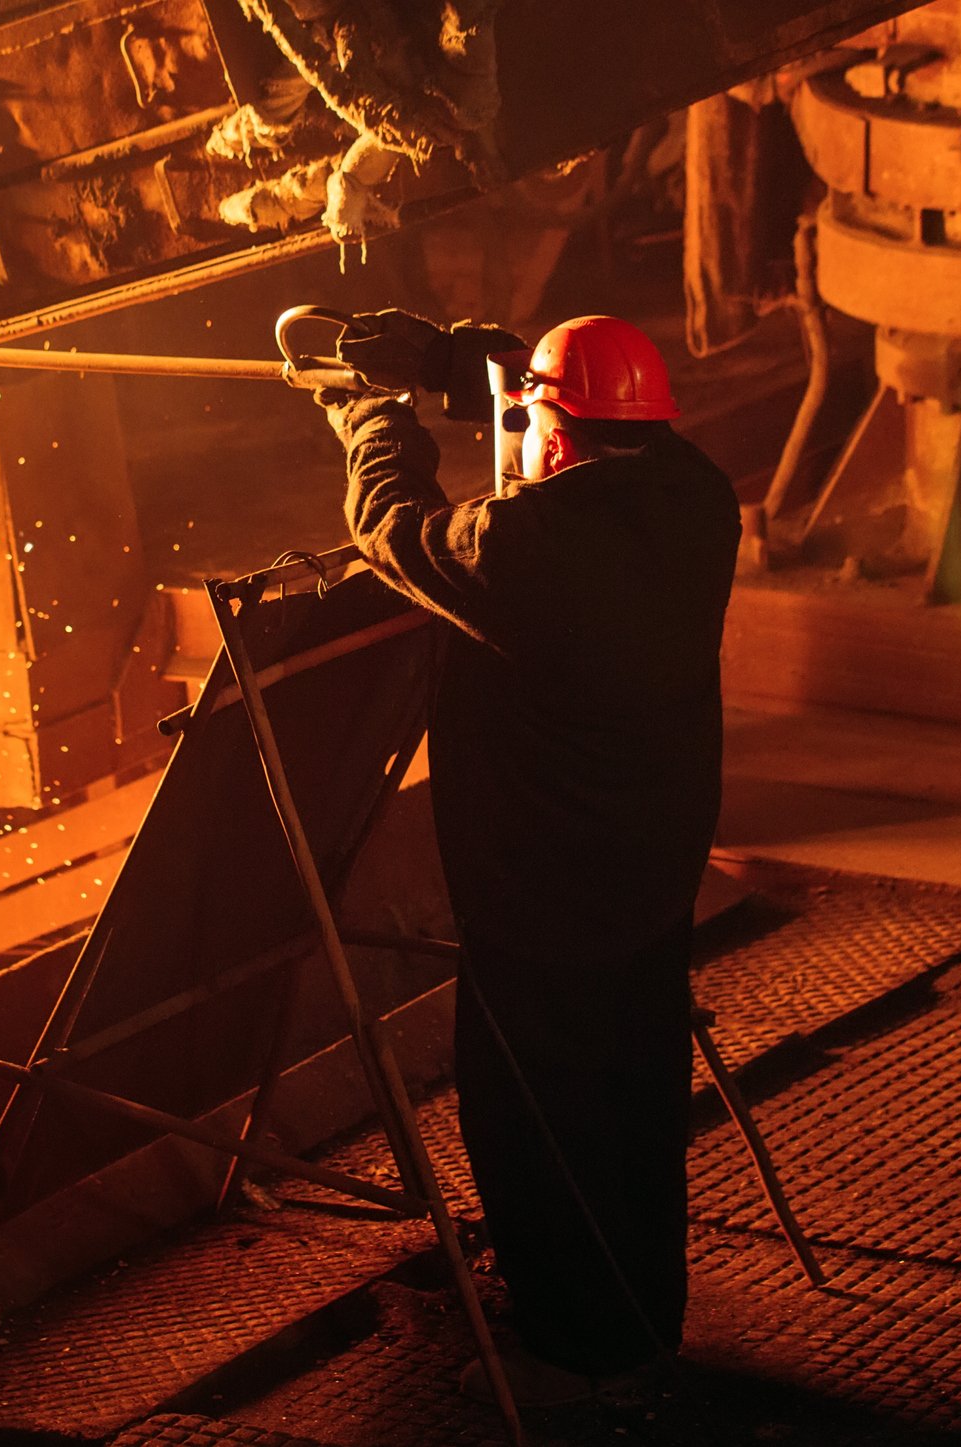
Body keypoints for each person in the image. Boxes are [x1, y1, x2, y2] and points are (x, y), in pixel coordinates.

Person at [315, 312, 741, 1405]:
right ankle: (641, 1319)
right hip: (648, 869)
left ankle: (565, 1351)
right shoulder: (698, 501)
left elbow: (392, 525)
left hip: (539, 888)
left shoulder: (519, 552)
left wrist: (370, 412)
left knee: (532, 1119)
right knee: (633, 1100)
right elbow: (574, 441)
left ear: (549, 435)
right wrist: (472, 373)